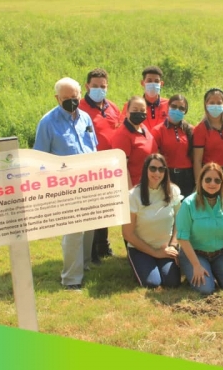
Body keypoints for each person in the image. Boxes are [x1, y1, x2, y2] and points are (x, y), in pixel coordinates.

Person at [33, 77, 98, 291]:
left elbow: (93, 147)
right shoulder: (47, 122)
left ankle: (85, 264)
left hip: (88, 181)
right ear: (57, 98)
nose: (71, 101)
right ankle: (71, 279)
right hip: (64, 185)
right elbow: (39, 158)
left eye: (75, 97)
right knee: (73, 231)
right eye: (66, 98)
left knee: (89, 226)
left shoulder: (86, 118)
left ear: (80, 96)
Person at [176, 163, 223, 294]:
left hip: (221, 253)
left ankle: (213, 272)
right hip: (195, 254)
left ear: (222, 182)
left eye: (217, 180)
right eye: (208, 179)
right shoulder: (188, 203)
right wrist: (196, 265)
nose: (212, 183)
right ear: (200, 180)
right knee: (206, 289)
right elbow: (182, 237)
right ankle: (197, 272)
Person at [78, 68, 121, 263]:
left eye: (102, 86)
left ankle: (103, 245)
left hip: (110, 166)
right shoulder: (78, 108)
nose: (99, 89)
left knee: (105, 207)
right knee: (91, 210)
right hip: (88, 166)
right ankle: (91, 251)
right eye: (95, 86)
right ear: (87, 86)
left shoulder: (112, 107)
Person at [122, 154, 182, 288]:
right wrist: (155, 253)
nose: (157, 173)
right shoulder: (133, 196)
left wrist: (173, 245)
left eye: (161, 169)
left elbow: (180, 221)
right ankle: (140, 263)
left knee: (172, 283)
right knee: (152, 284)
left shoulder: (173, 191)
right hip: (140, 249)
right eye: (153, 168)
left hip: (165, 248)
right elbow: (128, 234)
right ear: (145, 170)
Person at [193, 88, 223, 193]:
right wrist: (199, 183)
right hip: (210, 175)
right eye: (212, 102)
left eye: (219, 102)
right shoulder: (201, 129)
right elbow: (197, 160)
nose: (215, 105)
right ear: (205, 104)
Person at [152, 94, 195, 197]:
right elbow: (155, 159)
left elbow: (195, 156)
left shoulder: (191, 130)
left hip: (188, 177)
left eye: (181, 108)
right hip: (167, 175)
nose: (177, 110)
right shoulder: (158, 131)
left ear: (185, 111)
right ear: (168, 107)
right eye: (174, 106)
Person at [111, 96, 158, 189]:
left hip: (149, 185)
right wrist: (130, 192)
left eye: (142, 110)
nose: (139, 113)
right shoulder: (122, 135)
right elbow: (121, 167)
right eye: (135, 109)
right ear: (127, 112)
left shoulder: (143, 127)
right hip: (135, 189)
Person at [120, 66, 169, 135]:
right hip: (140, 144)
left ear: (161, 84)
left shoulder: (170, 105)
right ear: (142, 83)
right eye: (149, 81)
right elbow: (121, 129)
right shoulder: (130, 105)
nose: (153, 84)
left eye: (156, 81)